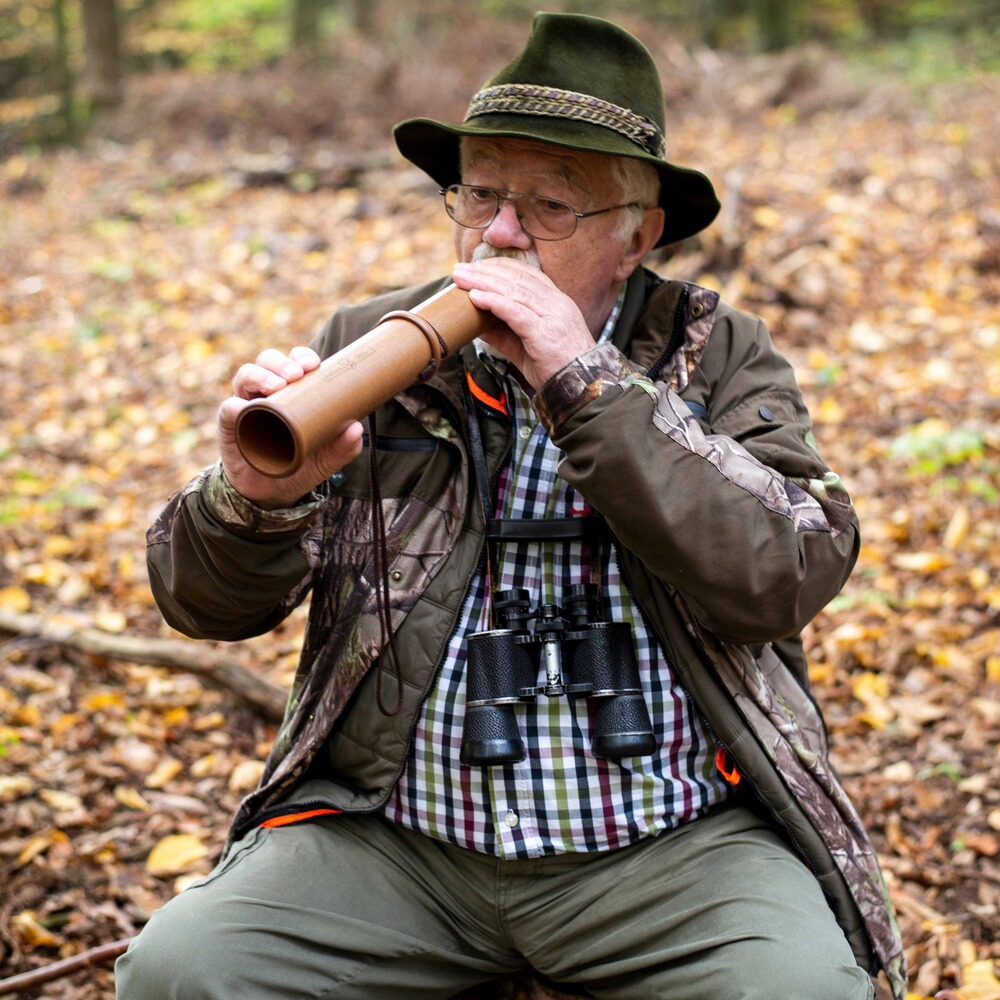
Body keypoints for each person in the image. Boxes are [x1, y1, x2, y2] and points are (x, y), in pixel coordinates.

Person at [117, 12, 906, 1000]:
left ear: (637, 233)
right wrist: (254, 500)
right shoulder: (374, 346)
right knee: (185, 969)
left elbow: (785, 572)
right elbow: (207, 607)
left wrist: (586, 383)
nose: (497, 233)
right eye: (480, 192)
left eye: (550, 206)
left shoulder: (719, 351)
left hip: (670, 845)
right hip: (402, 842)